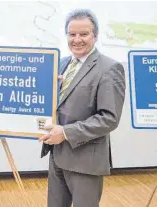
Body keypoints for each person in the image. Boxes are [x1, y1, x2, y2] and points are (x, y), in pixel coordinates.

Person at [39, 9, 126, 207]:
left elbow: (109, 118)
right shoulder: (60, 64)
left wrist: (66, 133)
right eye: (72, 34)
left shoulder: (109, 68)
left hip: (86, 161)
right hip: (57, 156)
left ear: (95, 36)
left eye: (84, 34)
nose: (77, 40)